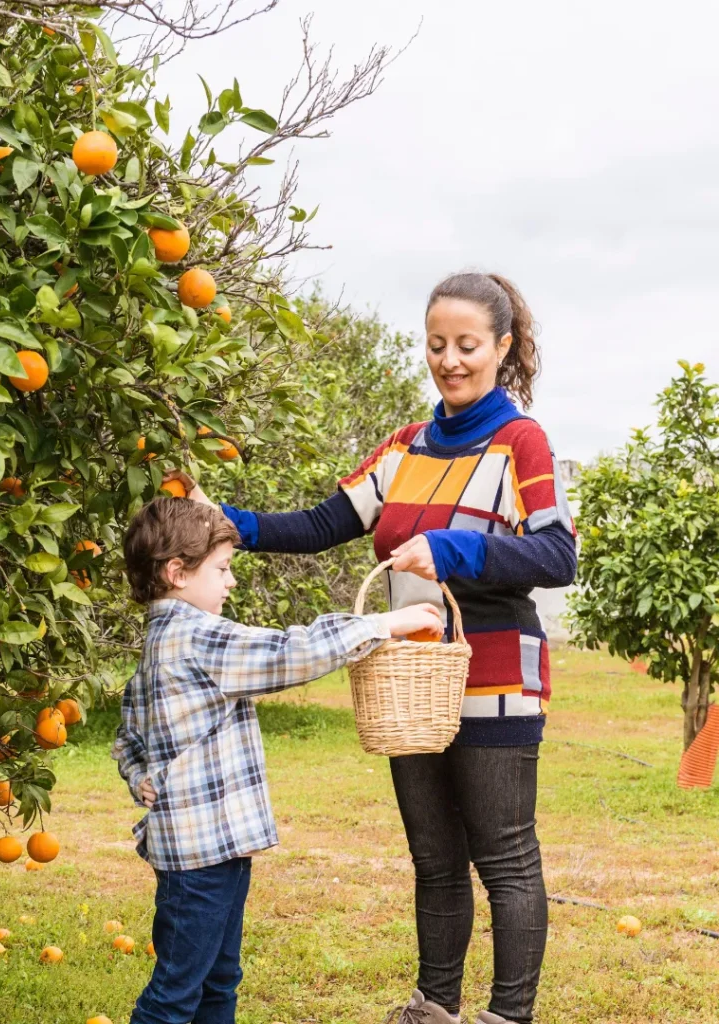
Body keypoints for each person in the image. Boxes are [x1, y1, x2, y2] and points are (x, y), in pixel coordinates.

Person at [168, 272, 577, 1024]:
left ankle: (507, 1017)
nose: (450, 361)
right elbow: (324, 524)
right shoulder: (406, 448)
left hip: (493, 678)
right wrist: (229, 522)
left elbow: (557, 556)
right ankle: (434, 1006)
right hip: (408, 683)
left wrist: (454, 551)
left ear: (503, 347)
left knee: (505, 858)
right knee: (433, 859)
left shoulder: (521, 441)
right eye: (436, 346)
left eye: (467, 346)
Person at [112, 496, 444, 1024]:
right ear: (177, 572)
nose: (231, 582)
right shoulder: (198, 636)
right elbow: (293, 652)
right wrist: (384, 623)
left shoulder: (160, 640)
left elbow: (128, 732)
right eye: (221, 570)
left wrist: (139, 776)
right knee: (175, 992)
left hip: (214, 849)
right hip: (200, 857)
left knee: (217, 981)